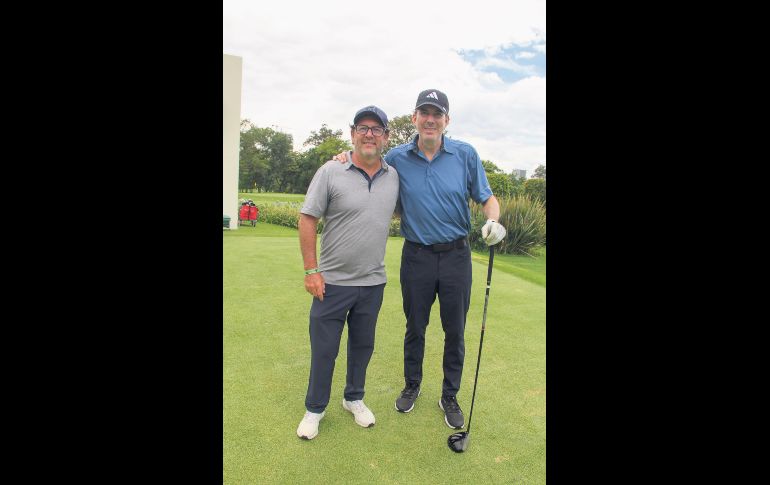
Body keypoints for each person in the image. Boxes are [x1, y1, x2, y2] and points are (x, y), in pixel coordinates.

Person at [333, 89, 506, 430]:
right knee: (416, 327)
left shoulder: (465, 154)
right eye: (424, 112)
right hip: (417, 256)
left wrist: (493, 220)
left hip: (456, 255)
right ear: (414, 118)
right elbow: (367, 160)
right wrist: (345, 156)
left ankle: (449, 395)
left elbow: (487, 197)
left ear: (446, 120)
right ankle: (412, 385)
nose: (430, 119)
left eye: (437, 113)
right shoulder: (397, 156)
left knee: (454, 329)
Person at [296, 105, 400, 440]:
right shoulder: (331, 171)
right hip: (332, 282)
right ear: (352, 133)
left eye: (376, 129)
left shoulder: (394, 176)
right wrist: (311, 270)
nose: (369, 134)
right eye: (362, 128)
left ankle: (354, 398)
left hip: (373, 283)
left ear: (385, 136)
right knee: (325, 349)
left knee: (362, 346)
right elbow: (308, 219)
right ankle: (315, 408)